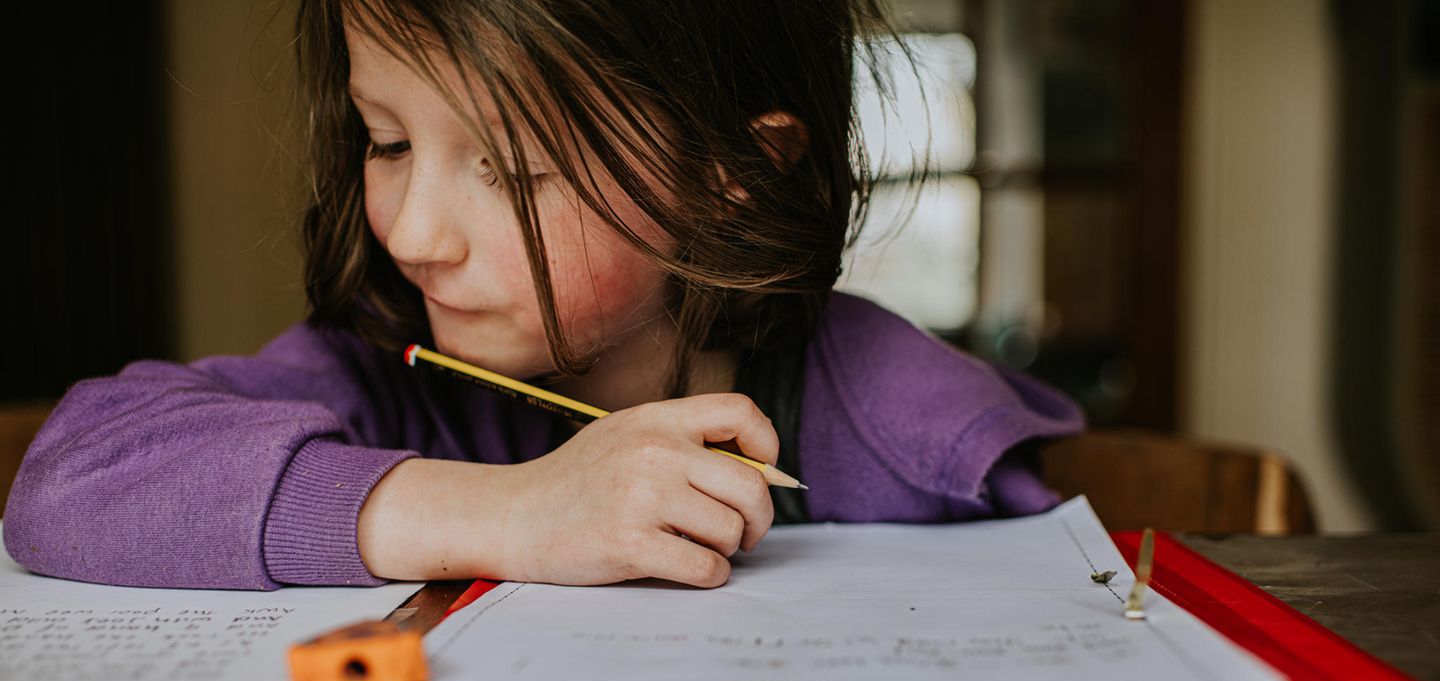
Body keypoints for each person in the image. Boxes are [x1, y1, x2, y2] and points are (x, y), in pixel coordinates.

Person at [3, 0, 1083, 591]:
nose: (413, 237)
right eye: (386, 141)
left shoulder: (909, 430)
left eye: (514, 172)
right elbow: (71, 478)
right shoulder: (381, 374)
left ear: (736, 172)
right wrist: (514, 513)